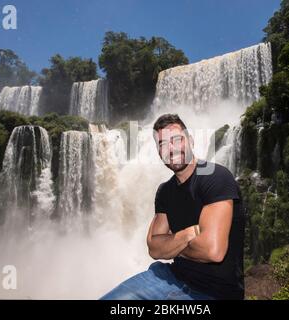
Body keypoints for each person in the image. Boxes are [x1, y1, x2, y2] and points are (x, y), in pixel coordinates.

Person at [100, 113, 245, 300]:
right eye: (162, 144)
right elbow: (154, 249)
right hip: (169, 276)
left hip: (214, 293)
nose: (171, 149)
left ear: (191, 141)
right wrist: (187, 235)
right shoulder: (165, 191)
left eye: (177, 140)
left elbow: (212, 251)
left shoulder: (216, 178)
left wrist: (172, 244)